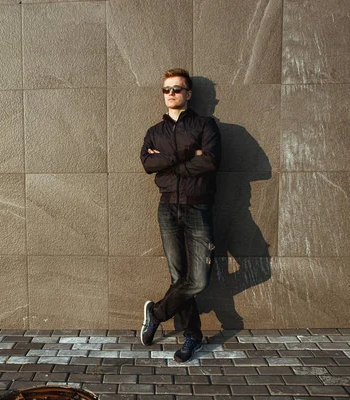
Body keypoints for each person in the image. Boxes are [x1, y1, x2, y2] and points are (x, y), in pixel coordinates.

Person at [139, 68, 221, 363]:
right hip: (167, 209)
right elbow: (148, 164)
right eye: (166, 90)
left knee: (197, 280)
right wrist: (185, 156)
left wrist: (169, 165)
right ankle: (192, 337)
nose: (171, 94)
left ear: (188, 93)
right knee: (178, 277)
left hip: (198, 207)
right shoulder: (154, 132)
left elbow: (211, 162)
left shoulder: (205, 125)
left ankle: (157, 312)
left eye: (177, 89)